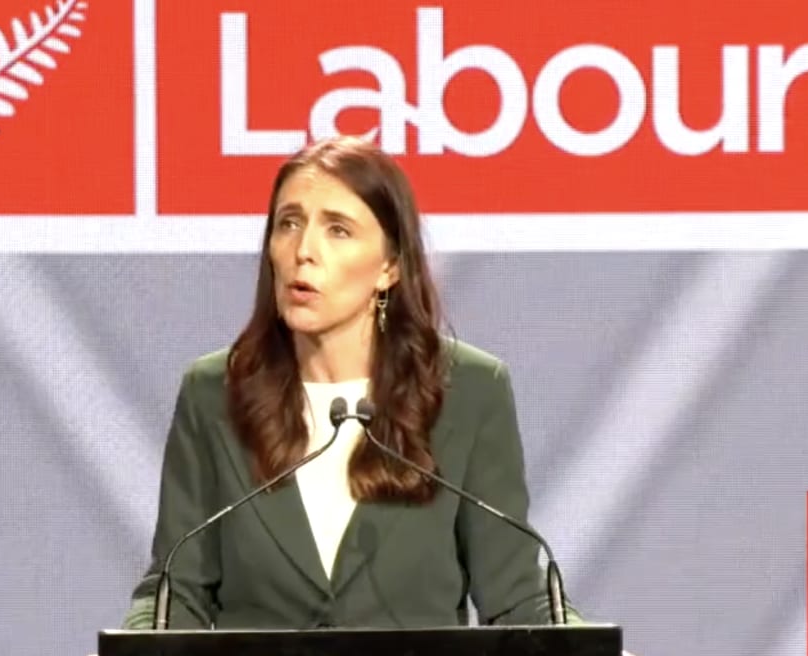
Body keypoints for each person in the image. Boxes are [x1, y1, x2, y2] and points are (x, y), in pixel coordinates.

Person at [121, 135, 585, 631]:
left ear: (389, 267)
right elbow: (176, 591)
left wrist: (593, 649)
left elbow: (515, 594)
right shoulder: (214, 393)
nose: (304, 251)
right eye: (289, 223)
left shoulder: (468, 391)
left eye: (338, 230)